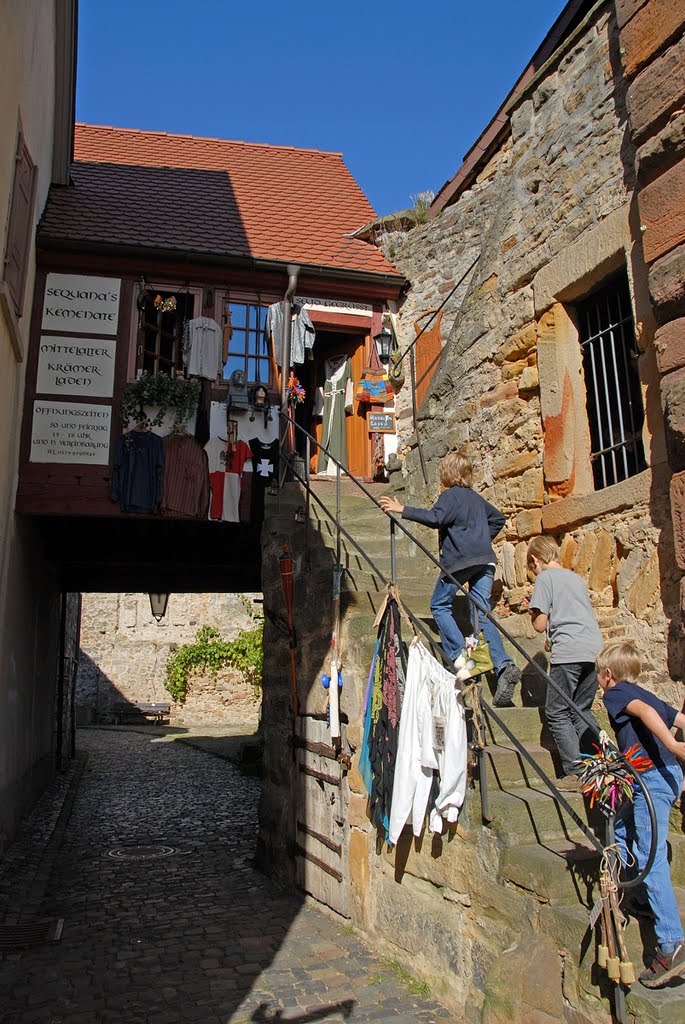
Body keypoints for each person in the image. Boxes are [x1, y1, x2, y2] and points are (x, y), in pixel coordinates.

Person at [379, 452, 521, 705]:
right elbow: (498, 519)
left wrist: (402, 509)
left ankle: (460, 657)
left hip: (460, 562)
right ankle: (504, 666)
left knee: (439, 605)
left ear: (446, 473)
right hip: (485, 560)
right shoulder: (476, 499)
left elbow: (436, 518)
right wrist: (480, 539)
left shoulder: (450, 496)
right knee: (481, 612)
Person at [596, 639, 685, 988]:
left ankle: (671, 944)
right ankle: (639, 895)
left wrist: (673, 744)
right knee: (620, 826)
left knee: (651, 856)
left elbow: (650, 717)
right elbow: (680, 717)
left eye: (599, 675)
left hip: (651, 780)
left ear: (608, 674)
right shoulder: (648, 693)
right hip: (662, 778)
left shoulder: (615, 693)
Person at [527, 535, 603, 790]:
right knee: (582, 709)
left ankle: (574, 772)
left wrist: (534, 612)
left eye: (532, 567)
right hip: (593, 649)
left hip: (569, 651)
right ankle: (598, 761)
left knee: (557, 711)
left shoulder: (545, 578)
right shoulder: (576, 578)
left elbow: (539, 625)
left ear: (535, 560)